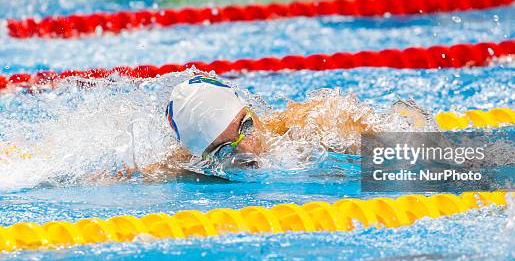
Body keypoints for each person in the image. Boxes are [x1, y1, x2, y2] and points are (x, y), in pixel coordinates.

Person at [135, 74, 436, 180]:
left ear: (250, 109)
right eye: (224, 149)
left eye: (247, 126)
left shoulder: (317, 126)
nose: (247, 148)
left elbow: (425, 148)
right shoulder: (193, 165)